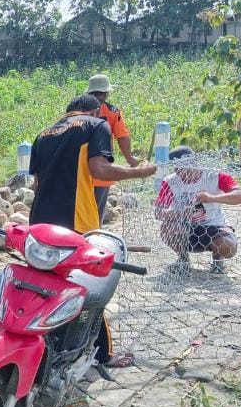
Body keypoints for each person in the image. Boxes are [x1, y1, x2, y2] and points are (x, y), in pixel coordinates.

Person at [28, 93, 157, 367]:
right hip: (77, 223)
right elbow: (100, 169)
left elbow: (37, 184)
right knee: (88, 289)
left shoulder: (43, 134)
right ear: (97, 110)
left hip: (40, 225)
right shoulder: (97, 125)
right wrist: (140, 172)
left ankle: (44, 347)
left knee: (44, 286)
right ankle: (103, 354)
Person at [156, 145, 241, 274]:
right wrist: (180, 214)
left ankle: (218, 260)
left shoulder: (215, 176)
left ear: (196, 163)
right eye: (179, 168)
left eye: (188, 166)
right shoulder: (170, 182)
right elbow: (158, 212)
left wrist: (213, 198)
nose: (184, 172)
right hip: (185, 228)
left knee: (228, 247)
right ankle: (183, 259)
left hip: (214, 225)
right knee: (167, 228)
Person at [87, 74, 140, 220]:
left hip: (78, 170)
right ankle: (93, 237)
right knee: (96, 213)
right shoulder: (112, 111)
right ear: (106, 93)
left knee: (77, 211)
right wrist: (130, 158)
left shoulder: (76, 109)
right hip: (102, 169)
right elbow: (122, 137)